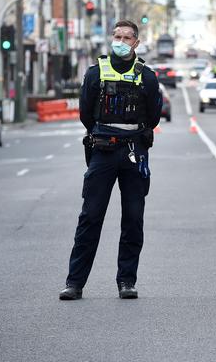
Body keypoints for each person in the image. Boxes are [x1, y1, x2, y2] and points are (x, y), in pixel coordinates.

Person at [59, 20, 162, 301]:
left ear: (136, 43)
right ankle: (74, 283)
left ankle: (126, 282)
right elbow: (85, 115)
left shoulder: (147, 77)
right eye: (117, 36)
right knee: (90, 218)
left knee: (132, 220)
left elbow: (153, 117)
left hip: (133, 153)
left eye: (126, 37)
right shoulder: (96, 73)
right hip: (102, 152)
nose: (120, 41)